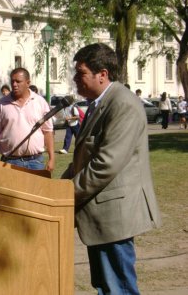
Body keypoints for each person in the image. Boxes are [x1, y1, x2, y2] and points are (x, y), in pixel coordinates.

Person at [62, 43, 161, 295]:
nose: (75, 80)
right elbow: (82, 160)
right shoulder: (99, 103)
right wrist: (55, 187)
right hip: (100, 213)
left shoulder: (123, 104)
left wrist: (64, 195)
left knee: (118, 288)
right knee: (107, 287)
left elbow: (105, 164)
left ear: (102, 74)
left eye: (81, 73)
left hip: (114, 216)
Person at [0, 67, 54, 171]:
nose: (14, 84)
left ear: (28, 83)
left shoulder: (40, 102)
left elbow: (48, 132)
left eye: (18, 81)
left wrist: (52, 158)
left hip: (35, 162)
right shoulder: (3, 103)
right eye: (12, 81)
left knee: (37, 188)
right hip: (10, 163)